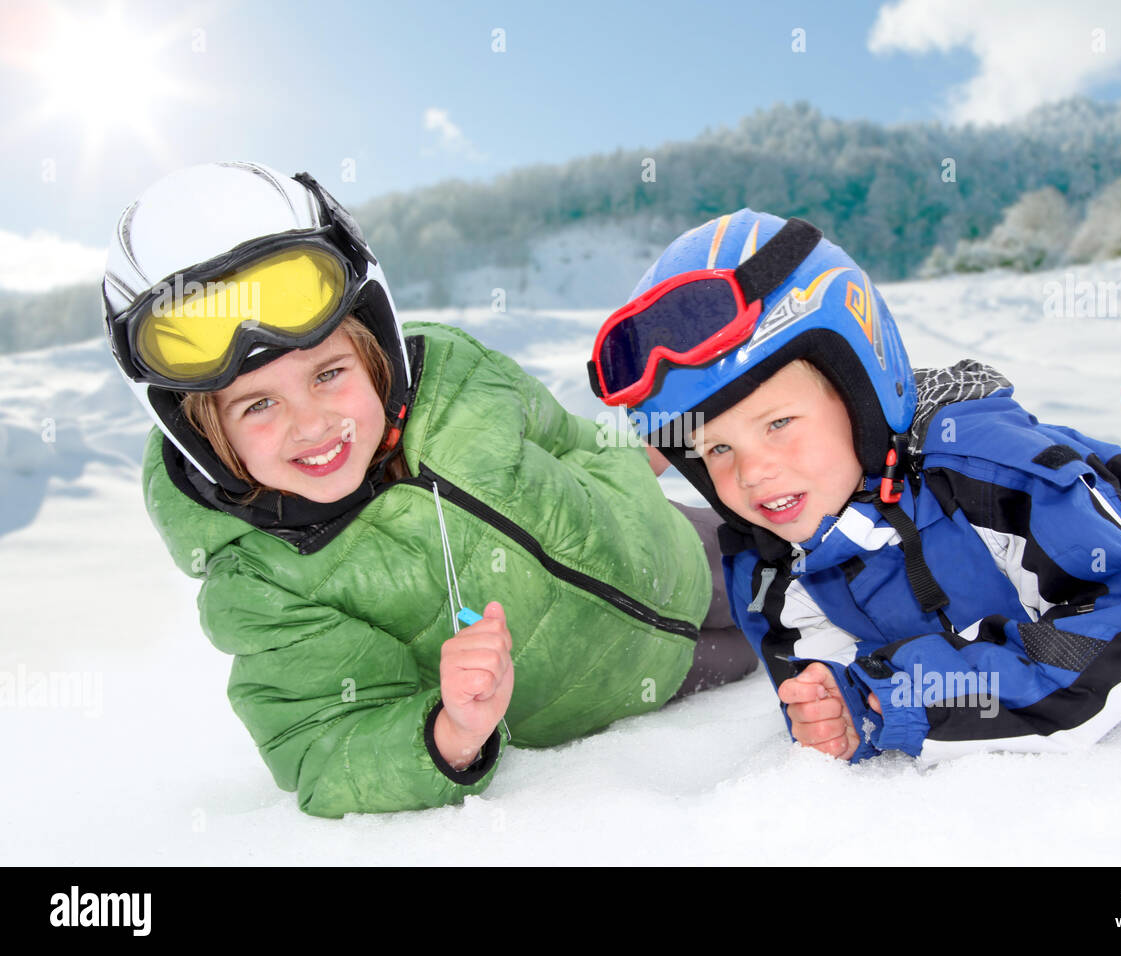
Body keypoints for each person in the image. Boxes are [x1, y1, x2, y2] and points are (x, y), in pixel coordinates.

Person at [102, 162, 752, 817]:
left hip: (671, 536)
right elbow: (325, 747)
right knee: (789, 629)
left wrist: (628, 460)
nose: (311, 423)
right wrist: (450, 734)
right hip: (628, 682)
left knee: (807, 552)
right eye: (258, 406)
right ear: (204, 437)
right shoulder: (266, 587)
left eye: (329, 373)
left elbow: (562, 438)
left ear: (376, 347)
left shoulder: (456, 378)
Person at [587, 208, 1121, 763]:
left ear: (863, 390)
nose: (752, 472)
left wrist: (905, 701)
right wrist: (845, 708)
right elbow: (830, 680)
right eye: (716, 447)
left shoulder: (991, 473)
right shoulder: (770, 561)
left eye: (778, 423)